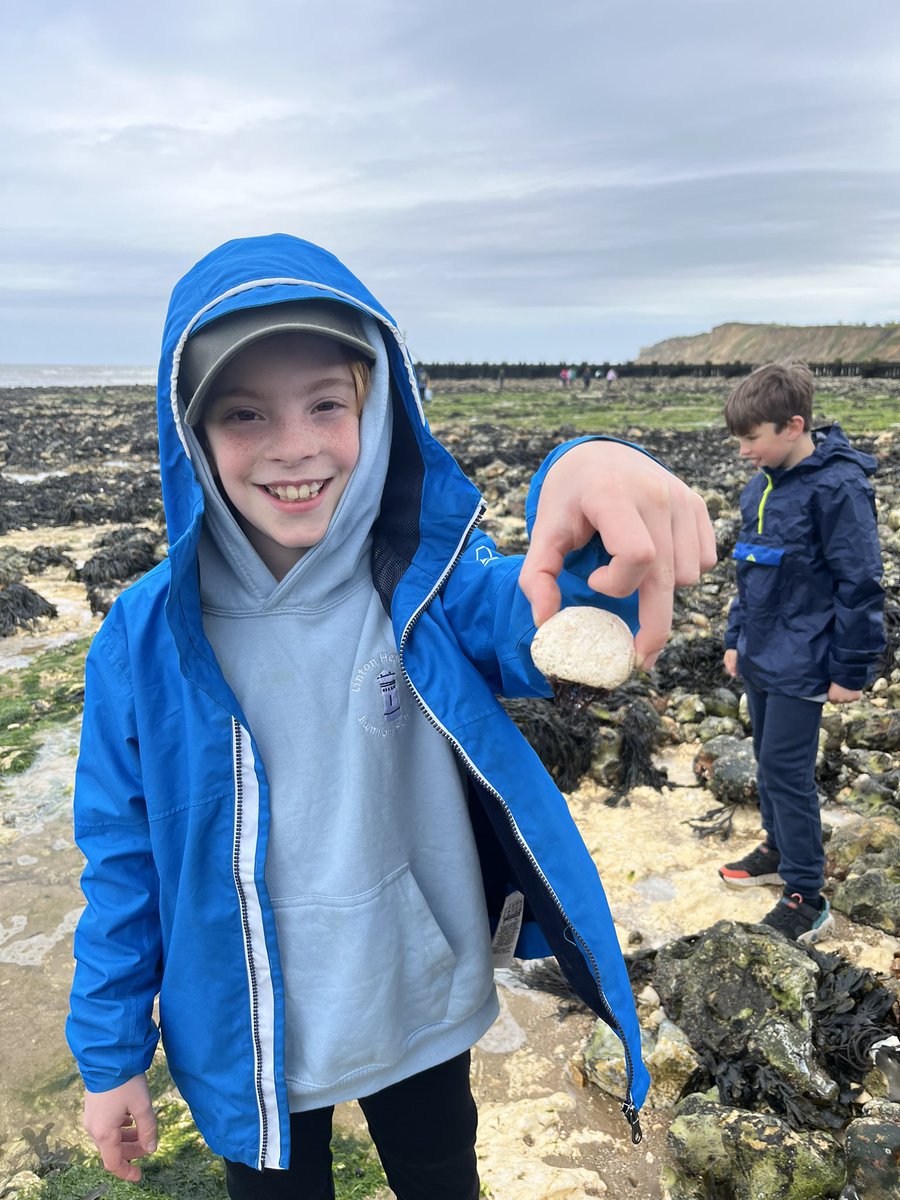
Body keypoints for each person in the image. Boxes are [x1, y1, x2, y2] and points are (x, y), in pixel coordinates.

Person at [66, 233, 717, 1198]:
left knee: (442, 1176)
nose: (295, 446)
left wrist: (587, 471)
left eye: (326, 403)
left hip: (417, 999)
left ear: (378, 408)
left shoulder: (426, 585)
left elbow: (554, 614)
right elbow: (122, 859)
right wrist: (111, 1054)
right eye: (244, 413)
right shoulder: (145, 634)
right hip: (248, 1033)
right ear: (188, 435)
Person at [718, 361, 884, 944]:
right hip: (762, 652)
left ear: (793, 425)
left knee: (788, 772)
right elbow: (748, 569)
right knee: (765, 759)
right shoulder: (760, 484)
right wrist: (736, 639)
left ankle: (805, 894)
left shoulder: (838, 486)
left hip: (807, 658)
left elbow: (860, 582)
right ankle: (777, 845)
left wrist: (851, 669)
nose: (743, 451)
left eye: (752, 438)